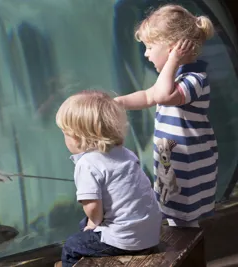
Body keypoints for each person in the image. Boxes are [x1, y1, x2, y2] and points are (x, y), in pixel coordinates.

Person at [114, 4, 217, 228]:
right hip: (173, 165)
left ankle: (189, 258)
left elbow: (160, 95)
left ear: (173, 49)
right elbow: (147, 96)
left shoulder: (194, 80)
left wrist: (172, 61)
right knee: (175, 219)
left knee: (184, 224)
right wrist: (117, 103)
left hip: (188, 168)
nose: (146, 53)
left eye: (150, 47)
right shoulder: (172, 81)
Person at [54, 90, 162, 267]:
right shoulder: (125, 153)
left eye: (65, 133)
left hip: (126, 239)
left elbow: (94, 210)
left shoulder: (87, 164)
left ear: (78, 137)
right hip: (150, 232)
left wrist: (93, 223)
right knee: (84, 226)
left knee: (72, 246)